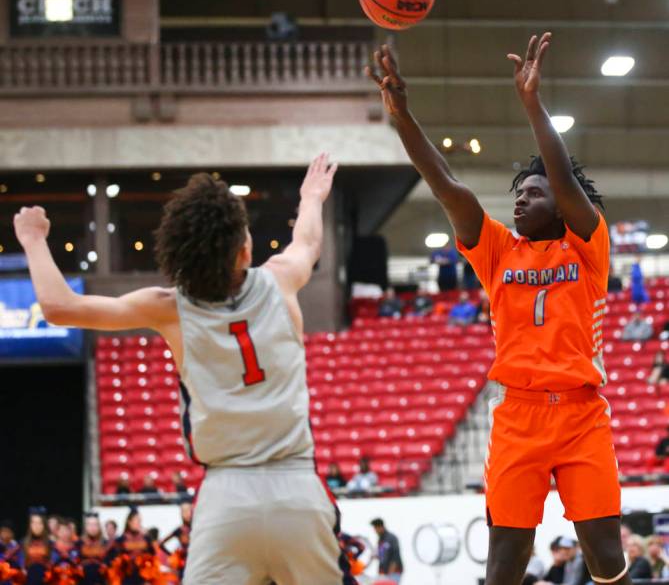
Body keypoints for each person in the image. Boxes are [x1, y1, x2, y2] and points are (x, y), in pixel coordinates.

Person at [14, 153, 356, 585]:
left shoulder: (169, 307)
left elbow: (60, 307)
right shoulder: (282, 278)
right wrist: (311, 198)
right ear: (245, 248)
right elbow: (307, 243)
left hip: (225, 499)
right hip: (296, 487)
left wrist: (33, 238)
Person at [367, 35, 630, 585]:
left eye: (532, 194)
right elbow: (446, 184)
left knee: (606, 556)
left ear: (562, 202)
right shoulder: (497, 250)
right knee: (504, 563)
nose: (519, 199)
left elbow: (561, 179)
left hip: (582, 414)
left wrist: (533, 106)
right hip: (518, 416)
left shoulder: (587, 246)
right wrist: (402, 116)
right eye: (518, 193)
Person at [106, 509, 159, 585]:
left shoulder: (146, 538)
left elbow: (153, 556)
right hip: (127, 578)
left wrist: (149, 579)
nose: (139, 523)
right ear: (129, 522)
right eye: (136, 520)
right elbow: (111, 558)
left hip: (142, 577)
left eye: (140, 521)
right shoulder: (121, 539)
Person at [159, 501, 192, 582]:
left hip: (197, 562)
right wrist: (172, 555)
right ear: (181, 513)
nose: (187, 513)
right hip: (184, 565)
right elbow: (161, 543)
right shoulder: (179, 530)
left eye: (188, 510)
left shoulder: (198, 527)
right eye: (184, 511)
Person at [18, 509, 52, 585]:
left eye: (40, 523)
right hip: (28, 577)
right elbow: (21, 562)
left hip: (45, 577)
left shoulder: (50, 543)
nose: (37, 526)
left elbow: (52, 562)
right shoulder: (23, 542)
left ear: (44, 525)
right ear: (30, 525)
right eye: (34, 523)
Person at [77, 513, 108, 585]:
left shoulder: (106, 544)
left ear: (99, 526)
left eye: (95, 524)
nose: (92, 527)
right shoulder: (78, 544)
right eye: (90, 524)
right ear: (85, 527)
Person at [370, 519, 403, 583]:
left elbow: (396, 555)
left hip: (393, 573)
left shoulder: (392, 538)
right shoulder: (380, 539)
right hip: (383, 572)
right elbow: (383, 555)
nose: (375, 531)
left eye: (376, 528)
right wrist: (376, 556)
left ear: (381, 527)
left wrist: (390, 572)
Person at [51, 519, 83, 585]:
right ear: (57, 532)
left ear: (70, 532)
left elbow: (79, 568)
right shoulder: (51, 548)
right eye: (62, 530)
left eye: (66, 530)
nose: (64, 533)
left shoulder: (76, 549)